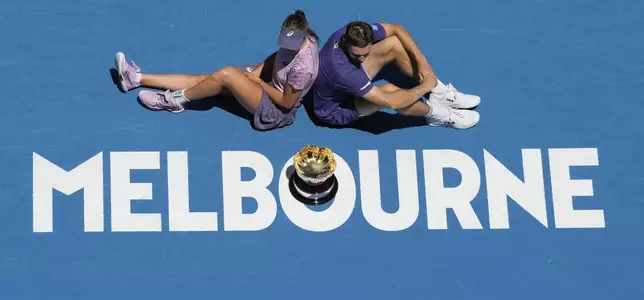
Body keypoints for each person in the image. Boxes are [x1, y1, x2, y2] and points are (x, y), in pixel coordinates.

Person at [113, 10, 319, 131]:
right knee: (208, 80)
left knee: (225, 75)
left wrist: (259, 83)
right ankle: (136, 78)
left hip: (275, 109)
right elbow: (278, 56)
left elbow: (286, 102)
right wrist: (256, 73)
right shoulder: (294, 39)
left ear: (301, 39)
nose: (284, 46)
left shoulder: (303, 68)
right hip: (268, 80)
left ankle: (174, 101)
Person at [312, 21, 481, 130]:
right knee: (391, 91)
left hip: (341, 84)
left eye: (366, 53)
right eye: (358, 56)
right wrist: (423, 87)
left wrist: (423, 64)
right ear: (346, 44)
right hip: (336, 109)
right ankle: (440, 115)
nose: (363, 59)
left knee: (393, 44)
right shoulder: (342, 71)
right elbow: (391, 103)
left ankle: (439, 93)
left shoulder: (354, 32)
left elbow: (397, 29)